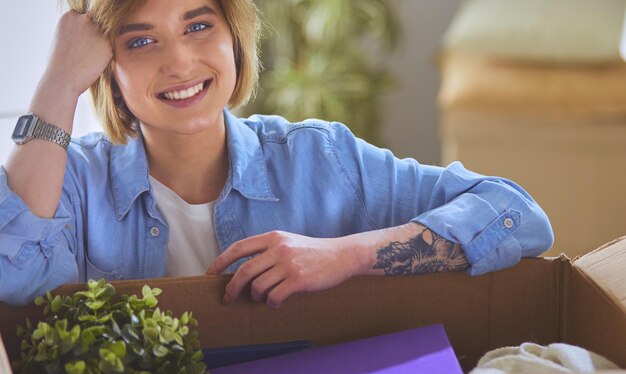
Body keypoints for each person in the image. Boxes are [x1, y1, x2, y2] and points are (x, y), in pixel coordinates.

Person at [0, 0, 553, 308]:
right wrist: (58, 82)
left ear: (234, 39)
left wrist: (347, 255)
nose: (180, 63)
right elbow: (12, 284)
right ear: (109, 73)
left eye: (198, 25)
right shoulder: (69, 180)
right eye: (140, 41)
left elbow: (517, 216)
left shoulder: (322, 158)